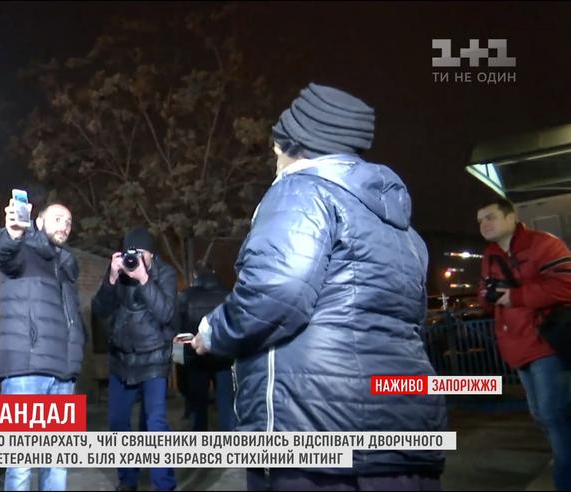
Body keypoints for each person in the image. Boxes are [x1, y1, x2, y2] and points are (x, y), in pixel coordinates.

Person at [191, 84, 446, 490]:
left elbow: (275, 293)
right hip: (404, 436)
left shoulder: (301, 190)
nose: (275, 158)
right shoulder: (402, 230)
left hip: (316, 431)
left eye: (276, 147)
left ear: (296, 144)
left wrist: (212, 333)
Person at [0, 200, 85, 492]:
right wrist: (12, 233)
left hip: (63, 373)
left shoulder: (65, 267)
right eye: (57, 219)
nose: (64, 226)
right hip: (26, 371)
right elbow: (1, 254)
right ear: (39, 222)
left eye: (68, 222)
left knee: (57, 462)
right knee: (22, 463)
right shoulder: (24, 252)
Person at [476, 198, 571, 491]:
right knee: (542, 415)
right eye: (480, 220)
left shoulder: (544, 244)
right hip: (516, 347)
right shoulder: (490, 255)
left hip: (546, 342)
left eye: (490, 217)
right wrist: (488, 297)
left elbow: (566, 285)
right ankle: (564, 457)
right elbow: (485, 296)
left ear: (511, 217)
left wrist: (516, 296)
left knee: (553, 415)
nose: (484, 224)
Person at [92, 226, 177, 492]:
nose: (136, 258)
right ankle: (127, 480)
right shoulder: (118, 273)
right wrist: (111, 278)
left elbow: (166, 313)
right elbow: (98, 309)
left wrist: (143, 279)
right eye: (132, 253)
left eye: (142, 253)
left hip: (154, 358)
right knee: (117, 422)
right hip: (121, 357)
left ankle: (164, 486)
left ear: (151, 254)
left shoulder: (165, 273)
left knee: (155, 424)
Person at [176, 261, 235, 432]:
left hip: (195, 360)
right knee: (226, 406)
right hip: (223, 358)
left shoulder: (185, 296)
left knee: (198, 407)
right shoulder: (228, 295)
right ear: (213, 272)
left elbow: (178, 333)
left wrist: (178, 360)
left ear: (195, 275)